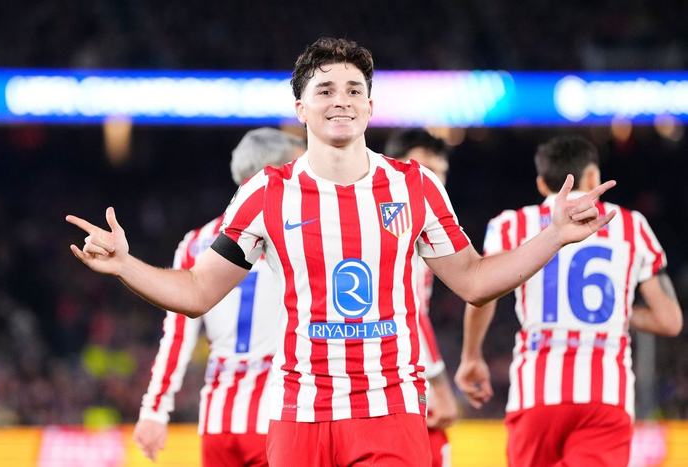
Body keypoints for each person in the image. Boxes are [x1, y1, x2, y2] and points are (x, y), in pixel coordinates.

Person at [67, 37, 616, 467]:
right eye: (325, 90)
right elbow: (196, 291)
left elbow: (473, 280)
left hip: (389, 409)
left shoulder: (414, 186)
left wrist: (552, 235)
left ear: (371, 107)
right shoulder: (266, 193)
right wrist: (125, 264)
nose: (341, 100)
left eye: (354, 90)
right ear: (301, 108)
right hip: (299, 412)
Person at [454, 135, 683, 467]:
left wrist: (471, 356)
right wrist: (615, 309)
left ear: (541, 183)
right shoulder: (632, 225)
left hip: (535, 392)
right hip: (606, 393)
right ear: (593, 176)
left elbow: (482, 294)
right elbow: (669, 320)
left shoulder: (510, 224)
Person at [132, 128, 306, 466]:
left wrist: (154, 410)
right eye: (298, 166)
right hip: (278, 417)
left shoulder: (195, 242)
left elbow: (177, 336)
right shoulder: (295, 232)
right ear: (271, 173)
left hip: (217, 423)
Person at [384, 128, 458, 467]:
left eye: (440, 172)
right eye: (426, 169)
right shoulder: (399, 220)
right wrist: (439, 385)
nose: (434, 181)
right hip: (392, 376)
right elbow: (410, 310)